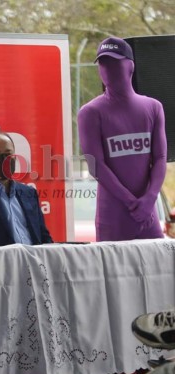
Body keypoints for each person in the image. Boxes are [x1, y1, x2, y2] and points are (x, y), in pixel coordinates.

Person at [77, 37, 167, 241]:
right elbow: (96, 166)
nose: (107, 68)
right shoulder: (90, 112)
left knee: (160, 271)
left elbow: (160, 158)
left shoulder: (153, 107)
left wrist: (150, 199)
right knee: (113, 273)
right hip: (113, 217)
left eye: (114, 62)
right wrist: (132, 203)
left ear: (130, 66)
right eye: (103, 63)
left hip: (148, 215)